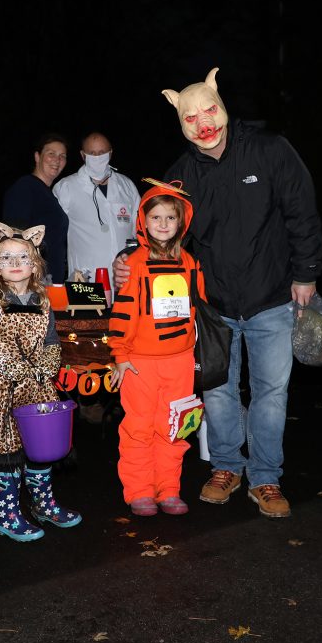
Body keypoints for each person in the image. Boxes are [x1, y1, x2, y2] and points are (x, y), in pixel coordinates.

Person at [114, 67, 322, 518]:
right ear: (181, 122)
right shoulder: (182, 174)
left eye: (209, 110)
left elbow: (302, 212)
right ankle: (227, 467)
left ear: (223, 107)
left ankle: (266, 479)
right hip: (212, 309)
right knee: (217, 391)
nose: (203, 123)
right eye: (190, 118)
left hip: (272, 298)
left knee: (272, 393)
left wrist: (306, 273)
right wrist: (129, 259)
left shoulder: (271, 151)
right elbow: (161, 228)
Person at [0, 222, 81, 542]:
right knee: (7, 453)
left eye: (22, 257)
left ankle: (43, 505)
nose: (14, 264)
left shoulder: (42, 301)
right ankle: (7, 514)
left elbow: (53, 342)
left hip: (37, 388)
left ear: (35, 263)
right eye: (6, 258)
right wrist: (8, 366)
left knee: (40, 449)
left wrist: (46, 365)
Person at [108, 180, 204, 517]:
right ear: (143, 222)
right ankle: (139, 490)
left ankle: (169, 489)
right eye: (156, 217)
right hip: (140, 364)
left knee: (175, 426)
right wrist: (120, 355)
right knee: (139, 426)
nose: (163, 224)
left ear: (181, 223)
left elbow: (199, 311)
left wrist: (198, 356)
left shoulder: (191, 264)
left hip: (180, 362)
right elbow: (123, 312)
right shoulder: (134, 264)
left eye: (170, 218)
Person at [53, 132, 141, 285]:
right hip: (86, 279)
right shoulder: (66, 187)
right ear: (83, 155)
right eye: (92, 153)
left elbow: (139, 230)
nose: (97, 157)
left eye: (101, 153)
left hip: (124, 278)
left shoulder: (127, 186)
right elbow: (54, 233)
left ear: (111, 153)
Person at [2, 133, 70, 283]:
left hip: (50, 281)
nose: (57, 160)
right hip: (34, 283)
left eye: (62, 156)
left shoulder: (48, 195)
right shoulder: (25, 187)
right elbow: (14, 238)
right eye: (51, 153)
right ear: (37, 157)